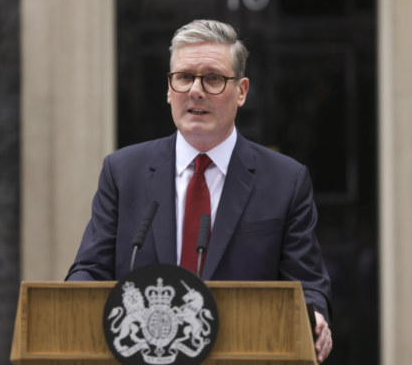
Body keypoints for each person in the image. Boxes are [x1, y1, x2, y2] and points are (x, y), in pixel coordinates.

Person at [66, 20, 333, 363]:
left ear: (241, 91)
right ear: (169, 89)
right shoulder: (123, 171)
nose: (196, 90)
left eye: (213, 78)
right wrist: (73, 302)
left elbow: (307, 283)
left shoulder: (286, 180)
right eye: (184, 77)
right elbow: (90, 268)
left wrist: (317, 318)